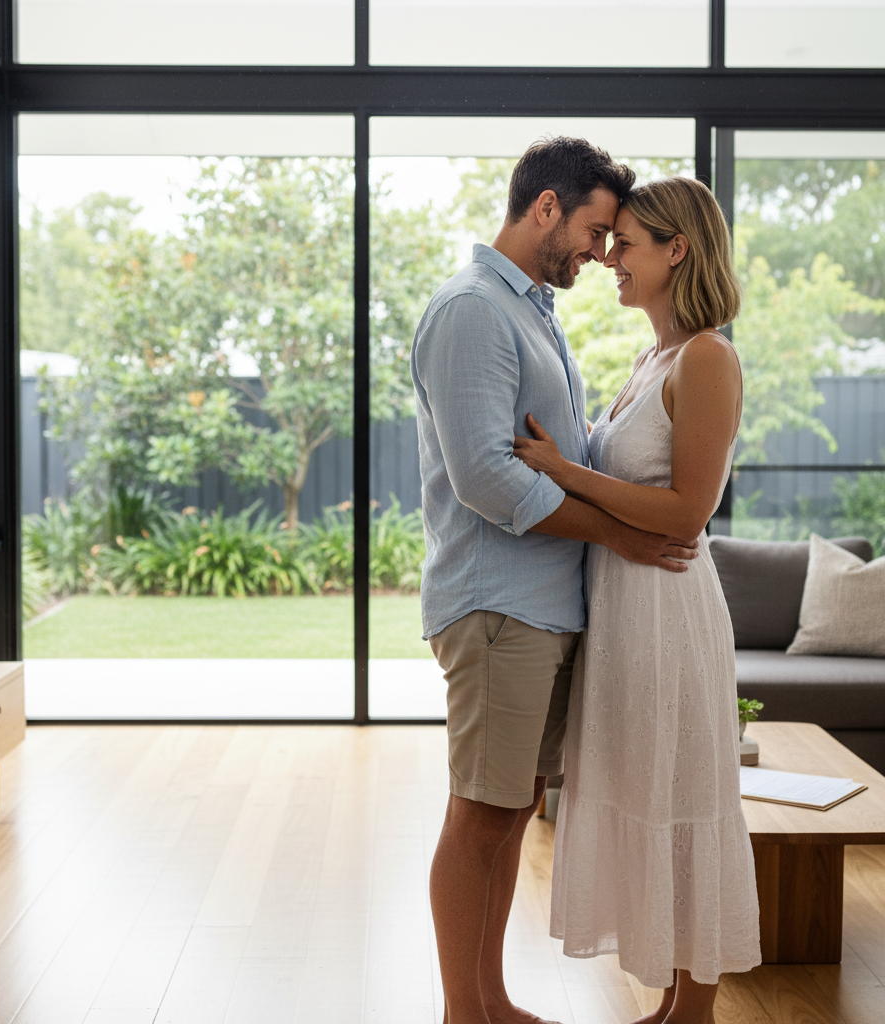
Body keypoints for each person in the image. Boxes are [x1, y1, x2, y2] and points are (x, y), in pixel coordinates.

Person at [410, 138, 701, 1024]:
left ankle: (491, 1000)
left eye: (613, 237)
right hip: (499, 606)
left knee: (509, 809)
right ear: (544, 207)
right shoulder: (472, 311)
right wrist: (620, 534)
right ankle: (468, 1012)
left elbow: (557, 459)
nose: (600, 251)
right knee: (480, 814)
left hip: (541, 607)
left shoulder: (531, 310)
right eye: (592, 229)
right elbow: (489, 479)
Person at [513, 176, 762, 1024]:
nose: (608, 257)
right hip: (625, 612)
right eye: (609, 241)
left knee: (683, 795)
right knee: (645, 791)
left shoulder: (708, 358)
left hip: (668, 614)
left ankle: (693, 1009)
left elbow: (691, 509)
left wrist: (563, 470)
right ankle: (669, 999)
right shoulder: (652, 357)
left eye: (626, 243)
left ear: (677, 251)